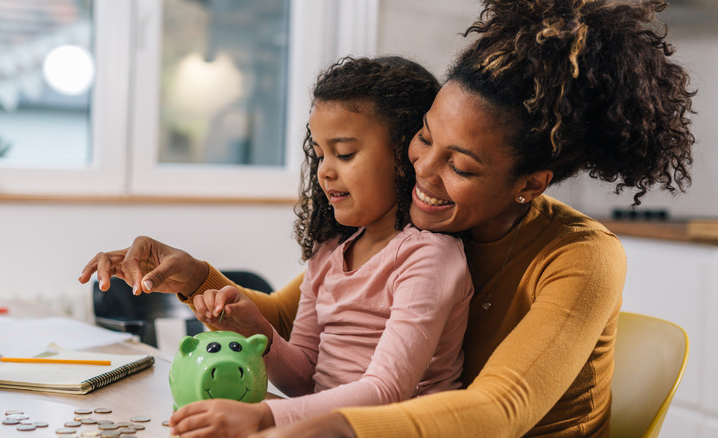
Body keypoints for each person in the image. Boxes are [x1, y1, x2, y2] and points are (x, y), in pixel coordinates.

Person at [79, 0, 695, 436]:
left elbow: (497, 410)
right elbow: (294, 327)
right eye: (424, 139)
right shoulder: (416, 230)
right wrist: (192, 277)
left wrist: (312, 424)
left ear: (528, 185)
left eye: (462, 166)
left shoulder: (580, 257)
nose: (423, 172)